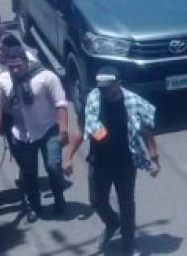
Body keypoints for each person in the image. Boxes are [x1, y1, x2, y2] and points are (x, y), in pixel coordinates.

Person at [70, 67, 160, 255]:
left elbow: (146, 133)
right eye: (101, 88)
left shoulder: (132, 103)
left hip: (125, 163)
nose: (104, 92)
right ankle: (112, 223)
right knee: (96, 201)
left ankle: (128, 243)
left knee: (126, 203)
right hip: (99, 162)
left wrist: (154, 159)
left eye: (109, 88)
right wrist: (66, 157)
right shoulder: (92, 101)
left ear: (118, 84)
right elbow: (81, 130)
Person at [0, 43, 68, 222]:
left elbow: (61, 104)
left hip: (48, 129)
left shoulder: (47, 77)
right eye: (11, 67)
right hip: (21, 134)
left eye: (18, 65)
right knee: (28, 173)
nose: (15, 70)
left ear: (26, 62)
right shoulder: (3, 79)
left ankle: (59, 199)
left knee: (53, 167)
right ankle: (35, 206)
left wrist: (63, 128)